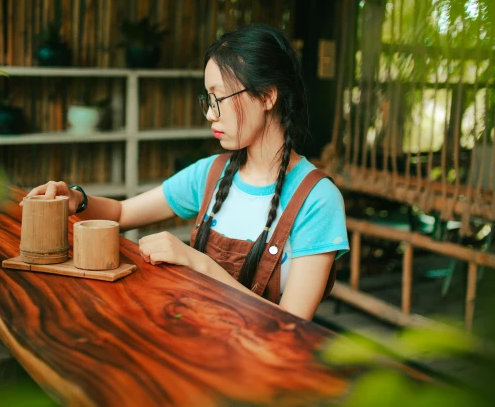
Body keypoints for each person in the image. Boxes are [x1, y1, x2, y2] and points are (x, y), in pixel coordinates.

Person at [23, 24, 349, 320]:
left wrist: (198, 262)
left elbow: (293, 326)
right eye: (207, 99)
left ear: (267, 96)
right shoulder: (211, 174)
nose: (209, 113)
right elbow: (122, 211)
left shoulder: (317, 199)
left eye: (218, 98)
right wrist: (76, 199)